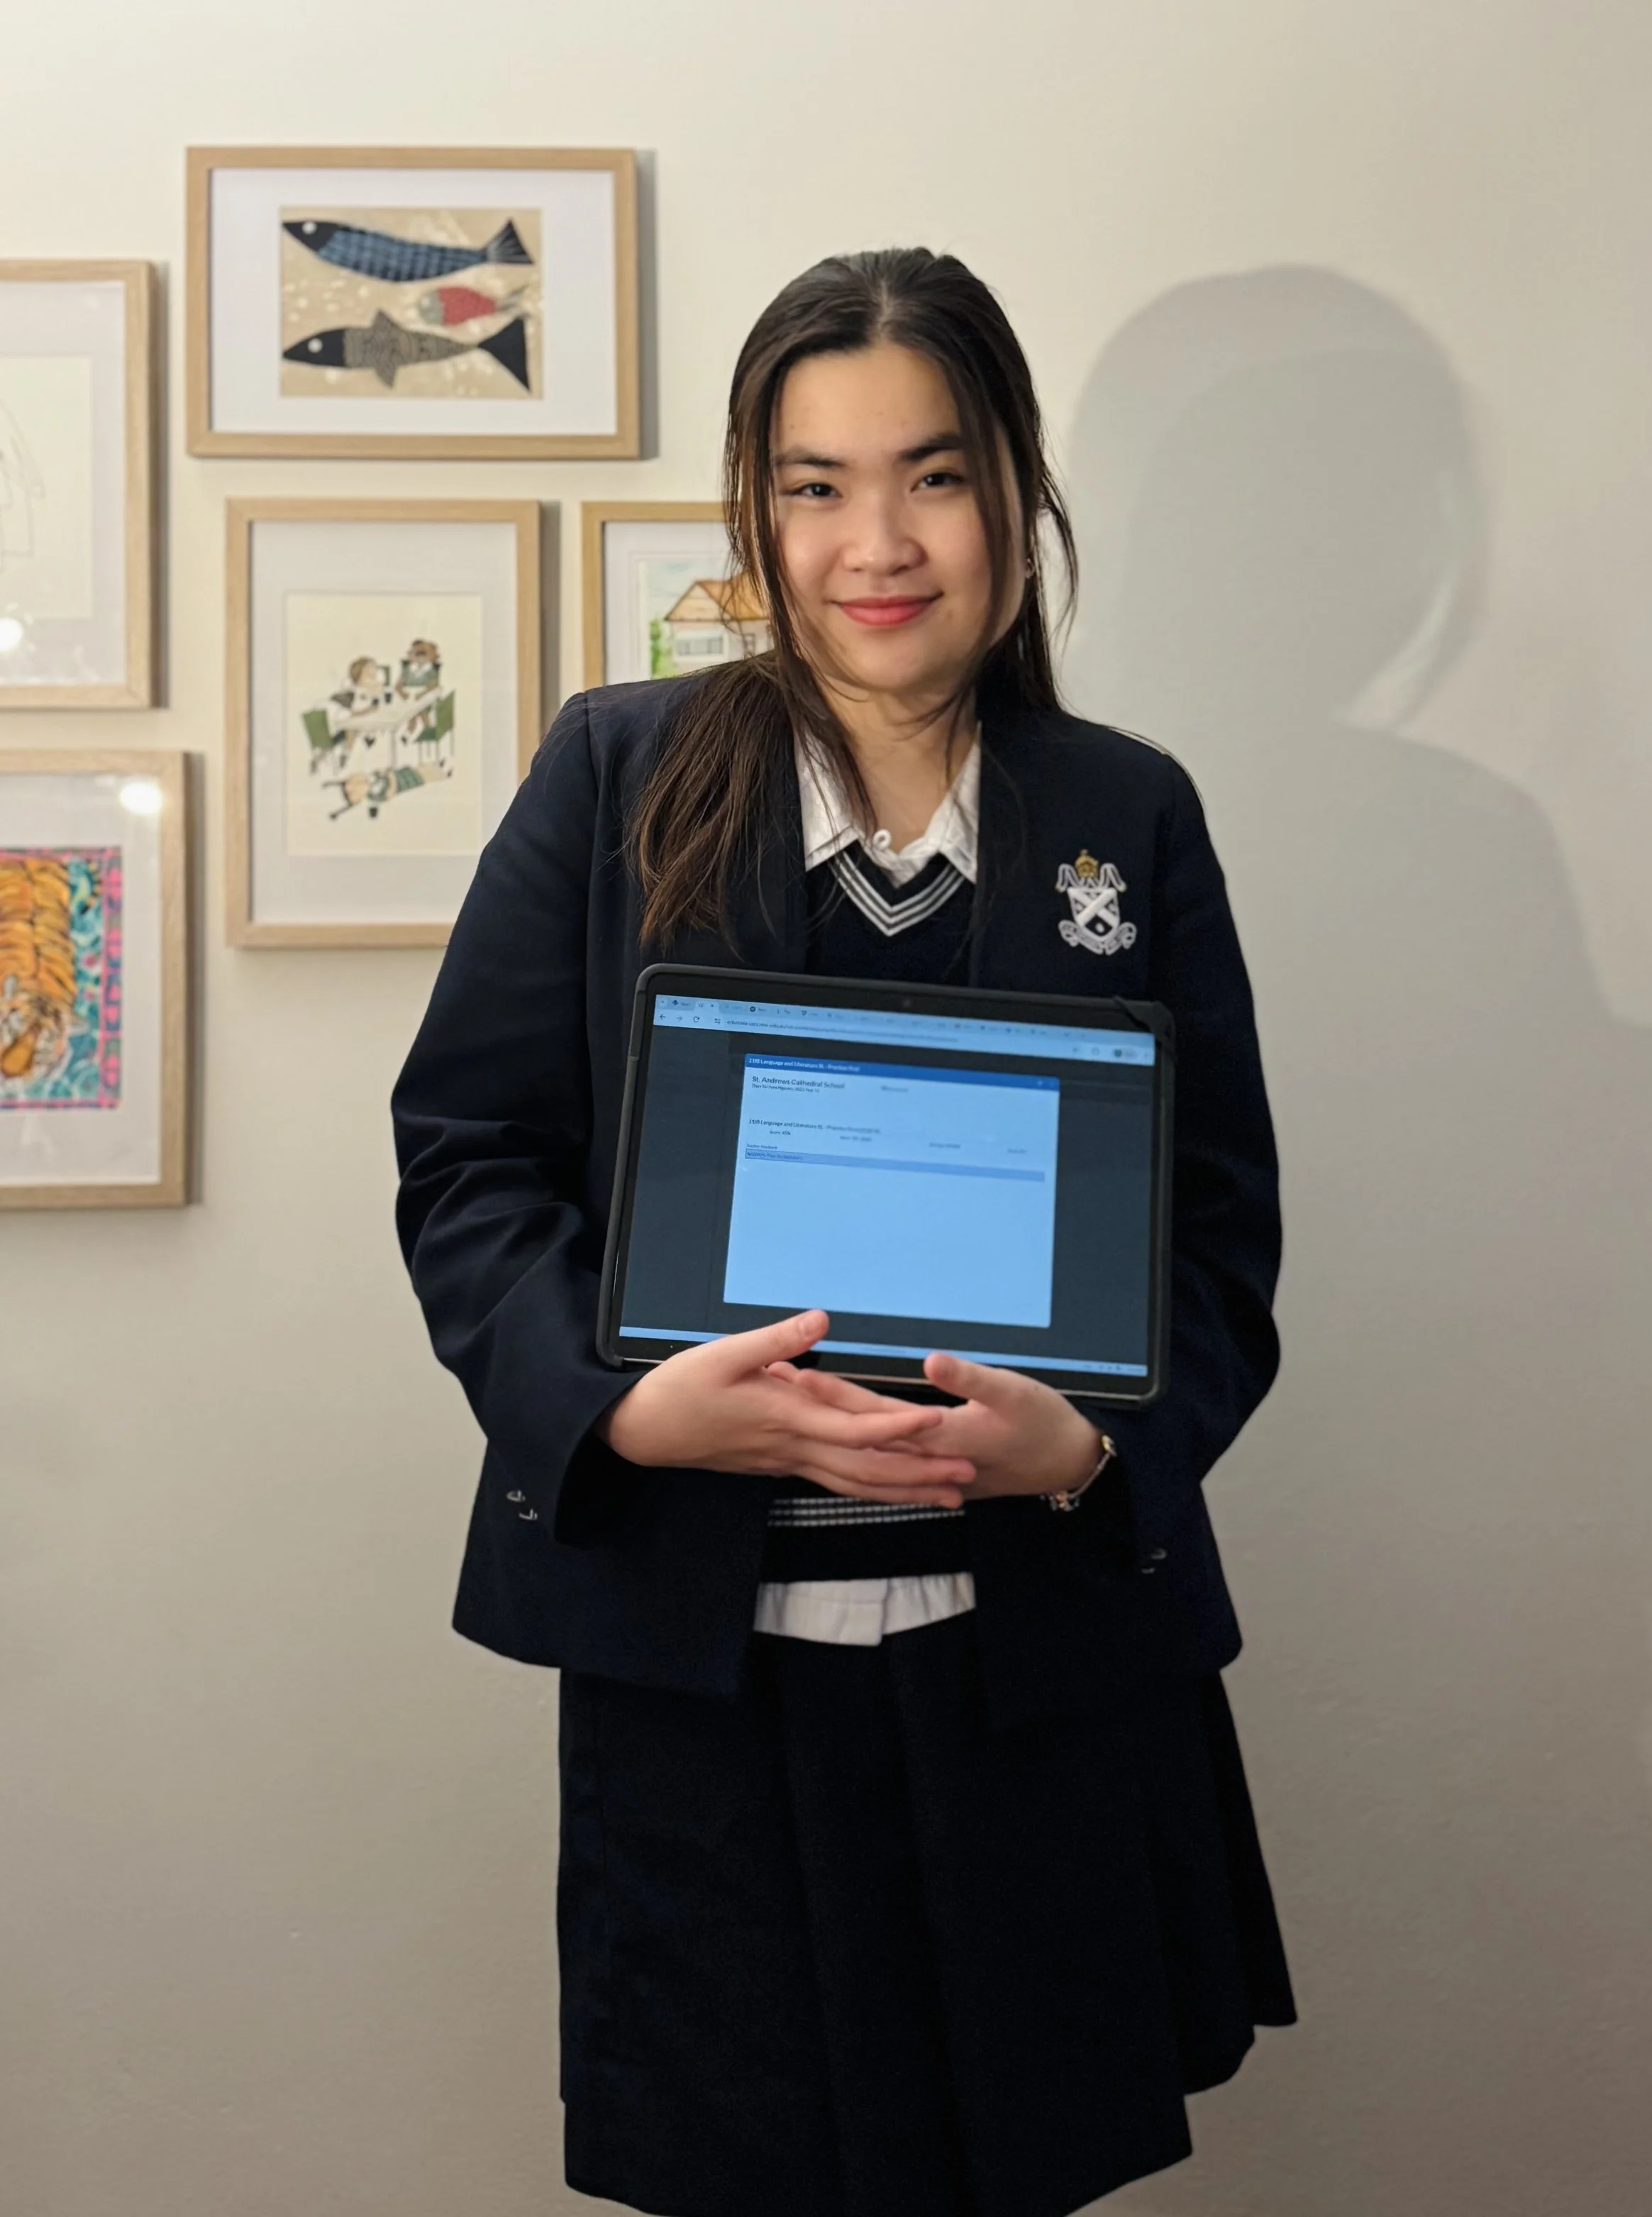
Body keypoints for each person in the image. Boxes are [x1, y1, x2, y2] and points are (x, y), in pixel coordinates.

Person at [391, 245, 1295, 2217]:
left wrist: (1098, 1444)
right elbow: (466, 1159)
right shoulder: (618, 774)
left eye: (933, 473)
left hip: (1036, 1677)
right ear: (753, 505)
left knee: (1018, 2159)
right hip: (711, 1690)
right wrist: (621, 1416)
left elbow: (1221, 1242)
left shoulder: (1122, 815)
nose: (874, 542)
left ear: (1012, 490)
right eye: (813, 484)